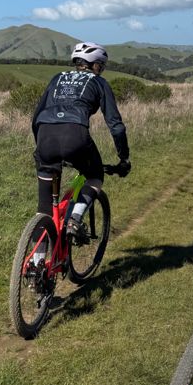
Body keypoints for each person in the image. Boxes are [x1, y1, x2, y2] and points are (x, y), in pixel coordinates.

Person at [31, 42, 131, 243]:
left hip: (45, 135)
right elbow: (116, 125)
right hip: (74, 135)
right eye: (101, 66)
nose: (101, 69)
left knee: (44, 210)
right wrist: (123, 157)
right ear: (95, 65)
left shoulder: (57, 78)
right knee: (94, 176)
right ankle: (75, 219)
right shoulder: (99, 82)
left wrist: (40, 147)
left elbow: (36, 116)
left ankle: (36, 264)